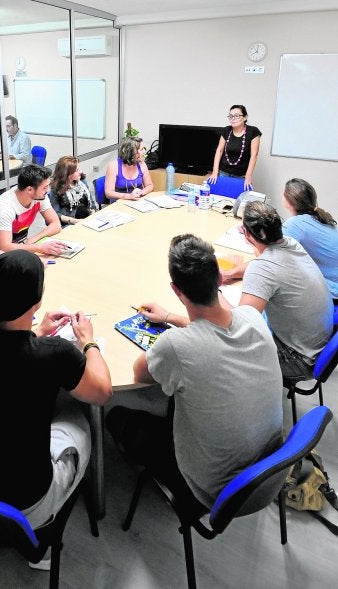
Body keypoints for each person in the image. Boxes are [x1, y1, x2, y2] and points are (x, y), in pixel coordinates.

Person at [106, 233, 283, 518]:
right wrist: (169, 317)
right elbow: (214, 324)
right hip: (268, 469)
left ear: (177, 290)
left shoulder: (176, 347)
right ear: (219, 279)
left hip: (210, 490)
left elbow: (140, 373)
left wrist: (172, 332)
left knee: (116, 416)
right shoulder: (252, 318)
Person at [0, 249, 112, 537]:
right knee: (79, 418)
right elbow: (102, 392)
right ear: (38, 299)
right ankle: (43, 536)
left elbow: (6, 353)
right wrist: (88, 342)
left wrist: (36, 331)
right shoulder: (55, 354)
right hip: (24, 502)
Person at [219, 201, 333, 381]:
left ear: (247, 234)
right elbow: (265, 259)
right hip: (317, 343)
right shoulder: (290, 243)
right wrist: (232, 273)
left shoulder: (262, 268)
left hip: (298, 359)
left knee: (226, 345)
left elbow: (239, 326)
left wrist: (213, 292)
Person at [0, 163, 69, 257]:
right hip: (1, 257)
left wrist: (33, 240)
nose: (48, 190)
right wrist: (39, 247)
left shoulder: (39, 196)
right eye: (45, 187)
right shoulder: (4, 207)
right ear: (29, 189)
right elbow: (5, 247)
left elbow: (56, 225)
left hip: (22, 247)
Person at [282, 178, 338, 301]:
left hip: (331, 291)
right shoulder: (322, 218)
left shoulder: (295, 224)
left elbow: (271, 257)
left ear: (288, 201)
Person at [208, 104, 261, 190]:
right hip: (223, 172)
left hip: (241, 174)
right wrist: (215, 171)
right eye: (231, 116)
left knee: (238, 199)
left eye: (236, 116)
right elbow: (219, 150)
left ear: (245, 117)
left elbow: (254, 155)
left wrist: (248, 176)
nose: (233, 118)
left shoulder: (253, 132)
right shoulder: (226, 130)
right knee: (222, 196)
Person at [49, 156, 98, 227]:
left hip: (86, 219)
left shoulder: (82, 181)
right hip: (69, 223)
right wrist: (75, 221)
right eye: (77, 170)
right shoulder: (56, 188)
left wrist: (92, 215)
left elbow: (92, 203)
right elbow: (56, 214)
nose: (80, 171)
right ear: (67, 173)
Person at [105, 136, 154, 201]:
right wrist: (129, 196)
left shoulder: (142, 164)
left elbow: (150, 185)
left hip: (137, 202)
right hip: (119, 203)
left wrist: (142, 192)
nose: (144, 151)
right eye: (142, 149)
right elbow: (108, 193)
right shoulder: (113, 166)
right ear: (133, 152)